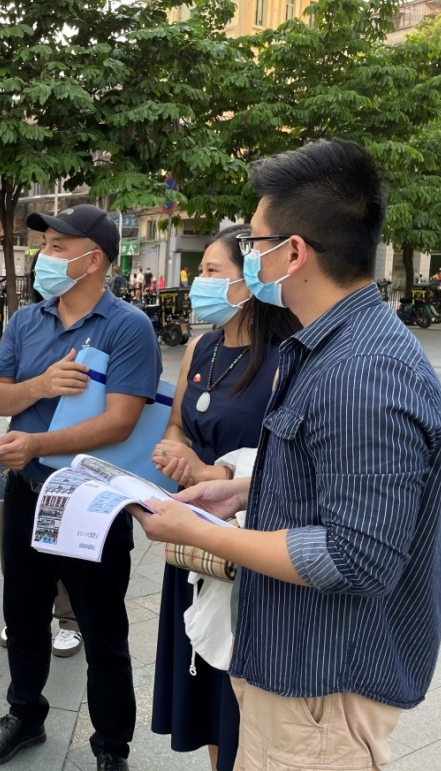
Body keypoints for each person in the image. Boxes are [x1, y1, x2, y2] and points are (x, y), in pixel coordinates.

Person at [131, 138, 441, 771]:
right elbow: (332, 481)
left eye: (255, 244)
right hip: (298, 669)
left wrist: (199, 532)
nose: (250, 257)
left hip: (321, 691)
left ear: (294, 253)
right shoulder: (329, 346)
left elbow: (356, 555)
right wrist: (242, 490)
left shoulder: (362, 369)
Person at [0, 204, 161, 771]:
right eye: (44, 245)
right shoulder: (28, 320)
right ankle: (24, 715)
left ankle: (111, 746)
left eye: (57, 246)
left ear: (92, 259)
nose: (43, 256)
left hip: (92, 500)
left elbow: (120, 422)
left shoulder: (128, 326)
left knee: (102, 629)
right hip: (27, 492)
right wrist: (39, 386)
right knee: (24, 614)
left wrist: (35, 443)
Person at [149, 226, 299, 771]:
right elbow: (176, 424)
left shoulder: (287, 359)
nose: (199, 282)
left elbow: (288, 463)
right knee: (207, 690)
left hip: (247, 545)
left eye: (213, 271)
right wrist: (175, 450)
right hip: (193, 540)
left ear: (249, 280)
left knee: (239, 690)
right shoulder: (200, 347)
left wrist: (212, 472)